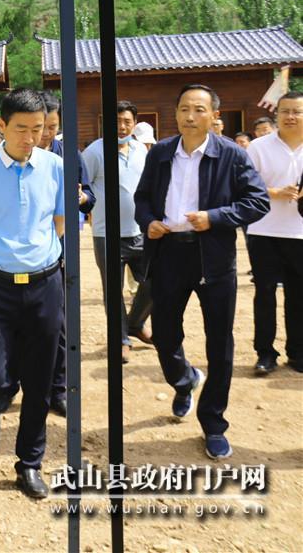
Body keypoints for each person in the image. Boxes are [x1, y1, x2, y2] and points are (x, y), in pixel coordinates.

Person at [134, 84, 269, 460]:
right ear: (175, 113)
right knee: (164, 334)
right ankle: (184, 380)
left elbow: (257, 201)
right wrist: (149, 220)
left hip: (213, 257)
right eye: (183, 109)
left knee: (219, 342)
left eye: (198, 109)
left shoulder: (231, 154)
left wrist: (215, 217)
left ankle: (213, 424)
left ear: (214, 116)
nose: (189, 116)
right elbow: (141, 198)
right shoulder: (161, 152)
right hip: (168, 253)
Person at [0, 88, 65, 499]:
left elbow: (60, 221)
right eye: (21, 129)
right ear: (1, 126)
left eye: (38, 129)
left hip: (45, 285)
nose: (31, 138)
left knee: (39, 380)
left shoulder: (56, 167)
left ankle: (30, 462)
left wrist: (35, 256)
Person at [82, 100, 153, 367]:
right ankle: (121, 339)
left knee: (155, 282)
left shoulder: (141, 150)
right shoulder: (94, 152)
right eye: (117, 121)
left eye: (127, 121)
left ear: (134, 124)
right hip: (107, 234)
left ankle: (136, 323)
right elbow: (84, 188)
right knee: (113, 291)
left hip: (140, 231)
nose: (122, 126)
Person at [40, 90, 95, 416]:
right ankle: (11, 385)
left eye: (52, 126)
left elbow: (89, 196)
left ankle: (58, 388)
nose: (46, 133)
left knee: (59, 322)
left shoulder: (69, 154)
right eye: (42, 126)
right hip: (23, 253)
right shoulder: (18, 156)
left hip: (60, 249)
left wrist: (81, 198)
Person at [245, 91, 303, 374]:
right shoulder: (259, 147)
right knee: (265, 293)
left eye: (297, 111)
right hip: (263, 230)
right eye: (285, 111)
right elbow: (244, 185)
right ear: (276, 114)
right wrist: (274, 192)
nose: (290, 116)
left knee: (299, 295)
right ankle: (265, 353)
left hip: (300, 233)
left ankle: (298, 353)